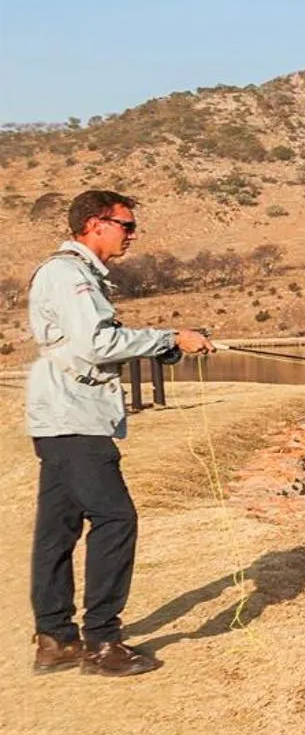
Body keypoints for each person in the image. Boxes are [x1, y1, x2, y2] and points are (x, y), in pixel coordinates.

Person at [26, 190, 214, 676]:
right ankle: (103, 643)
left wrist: (164, 349)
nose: (132, 234)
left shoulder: (78, 276)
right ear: (94, 224)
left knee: (58, 529)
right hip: (73, 419)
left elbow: (94, 342)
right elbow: (97, 342)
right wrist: (170, 337)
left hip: (65, 417)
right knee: (117, 519)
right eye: (126, 225)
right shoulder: (69, 275)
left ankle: (55, 640)